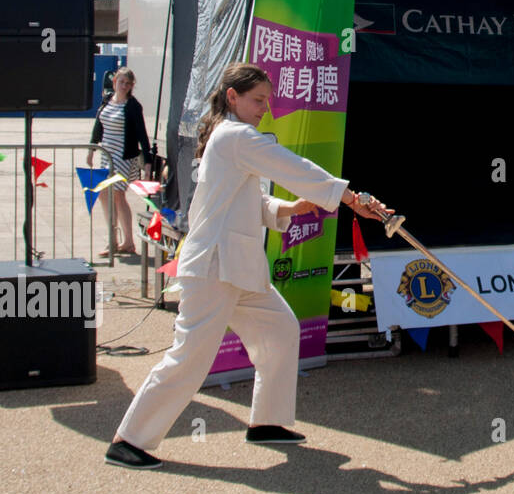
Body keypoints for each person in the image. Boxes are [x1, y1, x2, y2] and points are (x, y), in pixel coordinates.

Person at [105, 62, 392, 468]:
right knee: (190, 358)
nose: (264, 108)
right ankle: (129, 440)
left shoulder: (232, 139)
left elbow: (248, 200)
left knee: (280, 331)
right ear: (232, 97)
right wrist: (347, 197)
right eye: (258, 100)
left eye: (267, 101)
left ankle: (268, 423)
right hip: (214, 267)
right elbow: (292, 166)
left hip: (238, 267)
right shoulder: (236, 136)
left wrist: (288, 207)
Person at [85, 67, 151, 257]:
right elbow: (98, 126)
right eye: (121, 82)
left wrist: (147, 162)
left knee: (118, 195)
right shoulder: (107, 101)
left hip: (123, 156)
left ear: (131, 86)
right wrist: (91, 150)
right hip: (106, 154)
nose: (123, 86)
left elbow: (141, 135)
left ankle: (128, 241)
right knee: (104, 195)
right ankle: (112, 239)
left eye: (127, 83)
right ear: (114, 82)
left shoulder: (132, 106)